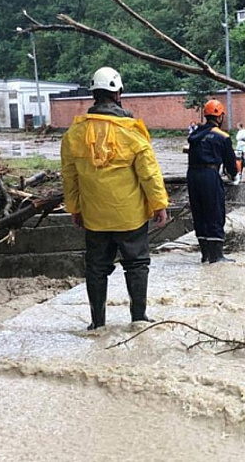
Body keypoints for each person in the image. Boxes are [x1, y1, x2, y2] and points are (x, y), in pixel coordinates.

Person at [61, 66, 169, 329]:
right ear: (118, 93)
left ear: (94, 95)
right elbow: (149, 174)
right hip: (130, 217)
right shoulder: (132, 131)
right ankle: (138, 319)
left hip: (95, 218)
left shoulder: (74, 134)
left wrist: (75, 208)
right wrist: (159, 205)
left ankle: (97, 324)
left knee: (96, 268)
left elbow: (69, 177)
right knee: (137, 264)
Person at [187, 99, 239, 264]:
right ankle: (217, 256)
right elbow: (231, 166)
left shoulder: (194, 135)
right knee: (214, 212)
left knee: (199, 212)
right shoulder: (222, 137)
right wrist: (235, 171)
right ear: (220, 116)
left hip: (192, 176)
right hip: (210, 175)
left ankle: (205, 254)